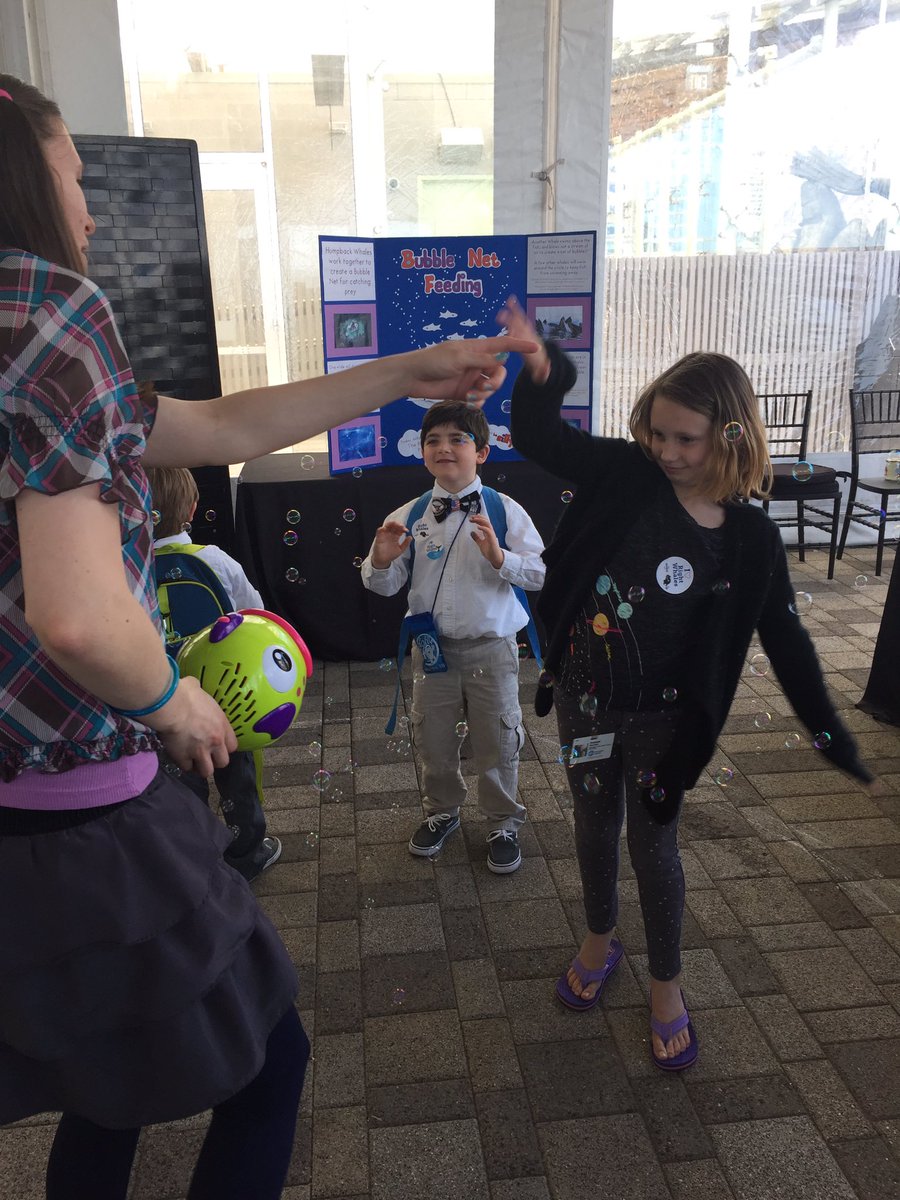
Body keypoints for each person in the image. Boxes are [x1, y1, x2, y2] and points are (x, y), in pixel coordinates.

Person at [0, 73, 534, 1200]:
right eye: (73, 175)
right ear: (22, 177)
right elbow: (81, 615)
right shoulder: (45, 307)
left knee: (107, 1085)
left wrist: (406, 374)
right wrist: (170, 701)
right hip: (81, 813)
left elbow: (221, 425)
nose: (90, 210)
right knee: (266, 1057)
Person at [500, 295, 874, 1071]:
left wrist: (829, 730)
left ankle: (666, 983)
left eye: (685, 439)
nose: (665, 450)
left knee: (654, 846)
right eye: (655, 432)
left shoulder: (747, 538)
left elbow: (790, 640)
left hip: (668, 725)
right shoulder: (623, 473)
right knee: (592, 826)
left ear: (728, 435)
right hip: (585, 699)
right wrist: (542, 369)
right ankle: (600, 938)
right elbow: (541, 436)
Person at [360, 400, 546, 873]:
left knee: (498, 738)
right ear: (422, 453)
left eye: (457, 439)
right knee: (433, 739)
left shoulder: (505, 510)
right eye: (433, 440)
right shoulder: (411, 514)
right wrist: (381, 558)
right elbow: (382, 585)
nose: (444, 447)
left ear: (482, 452)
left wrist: (501, 557)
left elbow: (541, 573)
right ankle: (441, 810)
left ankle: (503, 819)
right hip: (433, 652)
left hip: (493, 649)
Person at [147, 464, 281, 883]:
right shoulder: (213, 559)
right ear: (192, 506)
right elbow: (257, 616)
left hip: (161, 701)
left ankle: (190, 858)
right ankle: (246, 853)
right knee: (236, 777)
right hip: (225, 700)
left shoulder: (127, 567)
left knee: (178, 784)